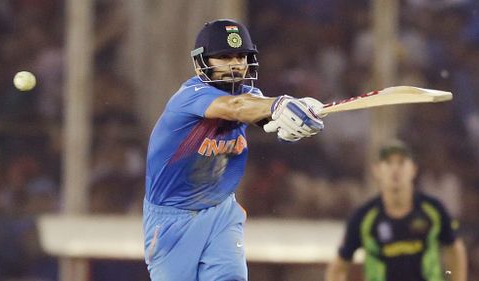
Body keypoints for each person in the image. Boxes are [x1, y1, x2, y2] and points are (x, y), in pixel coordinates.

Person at [143, 19, 324, 281]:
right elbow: (235, 107)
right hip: (172, 220)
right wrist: (279, 105)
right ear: (201, 63)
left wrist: (298, 118)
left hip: (221, 210)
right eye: (224, 57)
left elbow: (262, 112)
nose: (236, 64)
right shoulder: (189, 96)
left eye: (241, 56)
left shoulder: (251, 95)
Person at [325, 140, 468, 281]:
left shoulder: (433, 209)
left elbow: (454, 249)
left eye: (401, 163)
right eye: (388, 163)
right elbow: (338, 267)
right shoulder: (363, 217)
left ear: (413, 169)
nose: (395, 169)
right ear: (376, 170)